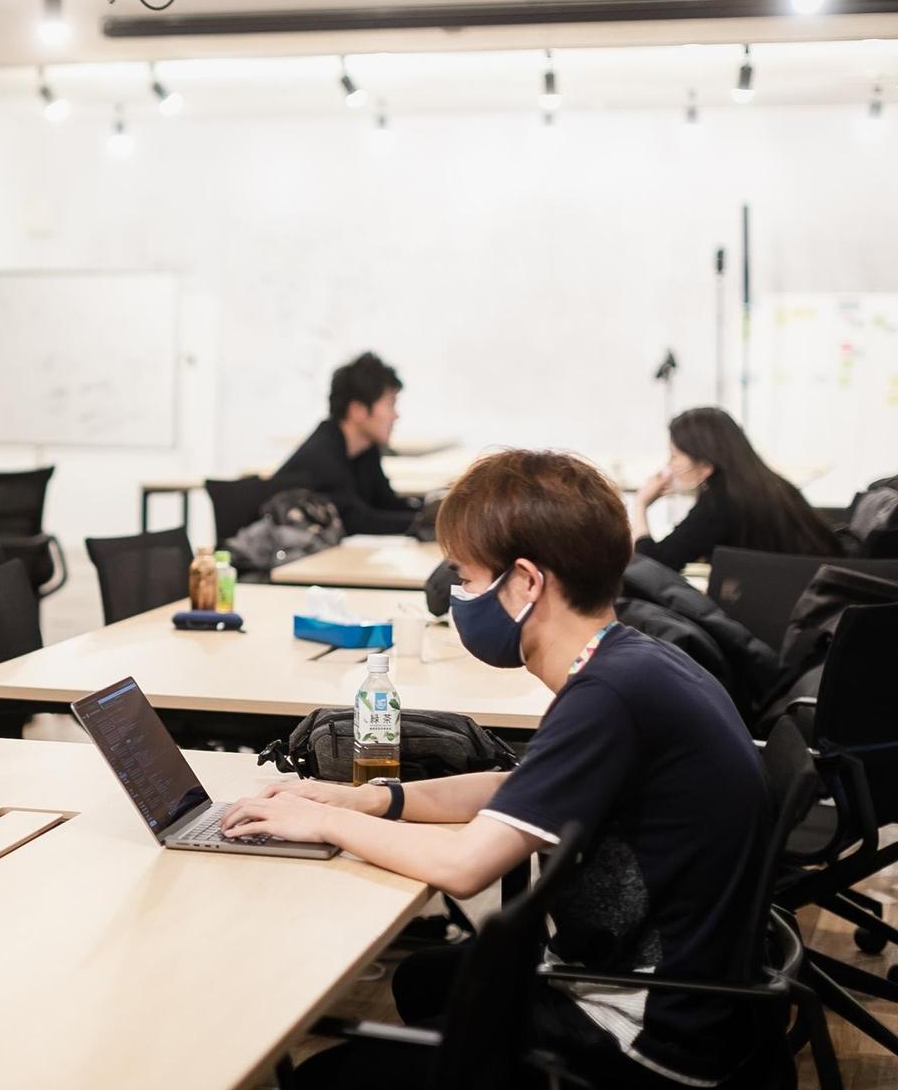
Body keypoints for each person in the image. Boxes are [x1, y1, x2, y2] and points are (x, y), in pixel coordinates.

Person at [223, 450, 770, 1088]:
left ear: (526, 583)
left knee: (327, 1076)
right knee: (423, 978)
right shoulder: (633, 660)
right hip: (683, 985)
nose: (459, 597)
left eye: (467, 578)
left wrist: (321, 824)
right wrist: (370, 800)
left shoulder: (609, 696)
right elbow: (517, 788)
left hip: (647, 1032)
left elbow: (465, 868)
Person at [630, 406, 836, 569]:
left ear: (705, 465)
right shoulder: (769, 485)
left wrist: (640, 504)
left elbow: (653, 566)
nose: (669, 466)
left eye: (674, 456)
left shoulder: (718, 503)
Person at [271, 351, 420, 535]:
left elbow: (385, 502)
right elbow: (355, 521)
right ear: (357, 410)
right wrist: (424, 522)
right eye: (390, 404)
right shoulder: (323, 455)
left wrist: (430, 512)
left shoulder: (365, 450)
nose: (396, 415)